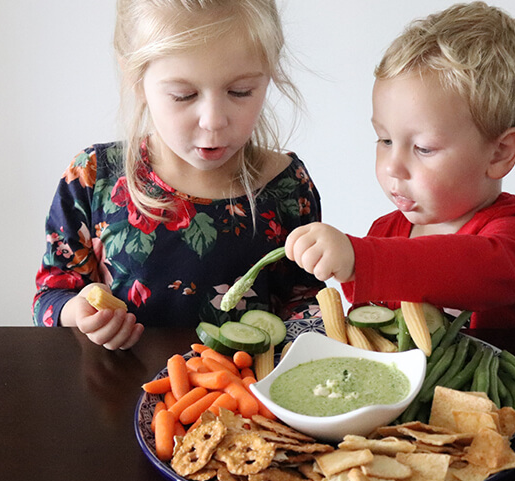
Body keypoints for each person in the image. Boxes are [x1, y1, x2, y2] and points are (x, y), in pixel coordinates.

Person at [34, 0, 324, 349]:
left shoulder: (288, 186)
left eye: (240, 91)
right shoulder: (93, 177)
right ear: (135, 77)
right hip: (122, 394)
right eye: (183, 95)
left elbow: (305, 298)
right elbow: (49, 298)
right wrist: (78, 313)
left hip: (247, 397)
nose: (213, 120)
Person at [285, 2, 515, 329]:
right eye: (385, 140)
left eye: (423, 148)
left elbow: (473, 267)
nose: (392, 167)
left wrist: (362, 259)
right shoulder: (383, 234)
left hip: (513, 380)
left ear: (498, 153)